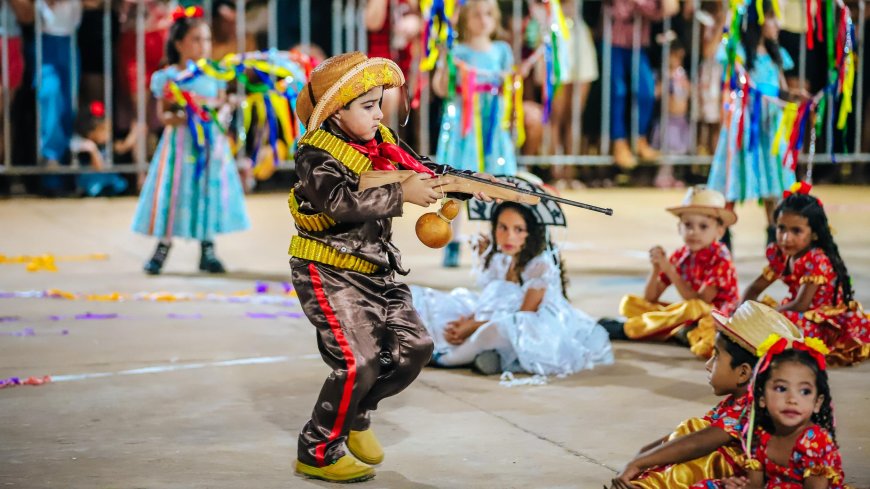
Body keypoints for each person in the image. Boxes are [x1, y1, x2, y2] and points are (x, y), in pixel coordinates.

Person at [289, 51, 496, 483]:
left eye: (380, 103)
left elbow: (419, 167)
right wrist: (403, 197)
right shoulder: (314, 154)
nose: (379, 113)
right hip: (329, 272)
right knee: (357, 362)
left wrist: (468, 183)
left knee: (415, 348)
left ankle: (358, 414)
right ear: (336, 109)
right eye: (368, 106)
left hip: (377, 268)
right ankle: (317, 448)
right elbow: (340, 203)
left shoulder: (380, 140)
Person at [412, 177, 614, 376]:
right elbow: (491, 300)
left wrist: (473, 326)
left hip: (530, 328)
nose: (509, 237)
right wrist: (469, 320)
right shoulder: (501, 258)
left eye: (519, 230)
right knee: (430, 302)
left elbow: (522, 318)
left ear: (531, 233)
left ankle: (448, 358)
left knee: (501, 330)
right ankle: (484, 355)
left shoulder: (539, 266)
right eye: (503, 227)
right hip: (491, 316)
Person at [610, 301, 803, 489]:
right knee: (690, 432)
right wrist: (642, 456)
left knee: (707, 457)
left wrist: (641, 462)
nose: (708, 364)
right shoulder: (742, 400)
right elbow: (691, 436)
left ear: (743, 373)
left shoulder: (755, 407)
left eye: (717, 356)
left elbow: (697, 443)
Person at [131, 6, 250, 274]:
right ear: (179, 43)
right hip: (181, 146)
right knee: (175, 191)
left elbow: (219, 105)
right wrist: (189, 113)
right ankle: (163, 247)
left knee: (208, 190)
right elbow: (165, 116)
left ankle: (208, 248)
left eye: (206, 39)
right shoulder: (170, 76)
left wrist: (223, 108)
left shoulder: (215, 74)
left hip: (210, 145)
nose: (203, 45)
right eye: (196, 39)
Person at [601, 186, 738, 358]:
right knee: (630, 303)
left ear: (719, 231)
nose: (694, 232)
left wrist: (671, 271)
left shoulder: (721, 257)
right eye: (688, 225)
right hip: (688, 315)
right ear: (679, 228)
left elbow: (701, 301)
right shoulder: (682, 255)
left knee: (693, 308)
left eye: (703, 226)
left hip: (714, 318)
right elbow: (651, 298)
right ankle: (678, 331)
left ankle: (628, 329)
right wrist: (657, 268)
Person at [742, 183, 870, 365]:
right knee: (755, 309)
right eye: (781, 228)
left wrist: (766, 317)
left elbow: (801, 304)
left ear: (814, 234)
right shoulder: (782, 255)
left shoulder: (816, 259)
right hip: (796, 310)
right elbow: (754, 288)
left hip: (820, 320)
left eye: (796, 231)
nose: (786, 238)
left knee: (784, 322)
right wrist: (741, 311)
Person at [432, 0, 518, 268]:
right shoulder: (457, 51)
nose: (483, 20)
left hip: (492, 127)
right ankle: (452, 241)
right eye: (477, 14)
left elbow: (511, 86)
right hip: (465, 129)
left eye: (489, 14)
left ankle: (495, 241)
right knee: (458, 183)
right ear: (465, 18)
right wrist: (446, 62)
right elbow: (441, 87)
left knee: (494, 182)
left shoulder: (502, 51)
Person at [707, 0, 798, 246]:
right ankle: (722, 237)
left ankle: (776, 237)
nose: (777, 23)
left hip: (770, 127)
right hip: (744, 127)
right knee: (734, 179)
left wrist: (796, 100)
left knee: (773, 181)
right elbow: (738, 79)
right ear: (757, 21)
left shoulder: (775, 55)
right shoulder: (737, 52)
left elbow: (781, 90)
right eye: (771, 17)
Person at [699, 339, 845, 488]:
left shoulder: (815, 442)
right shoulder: (760, 433)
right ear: (762, 398)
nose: (792, 399)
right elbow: (755, 485)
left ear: (817, 403)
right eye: (781, 389)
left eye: (804, 391)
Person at [70, 101, 129, 197]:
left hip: (105, 175)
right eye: (105, 131)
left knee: (119, 183)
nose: (109, 135)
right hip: (91, 177)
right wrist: (93, 151)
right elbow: (99, 167)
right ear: (91, 132)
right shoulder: (85, 145)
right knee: (96, 187)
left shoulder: (104, 145)